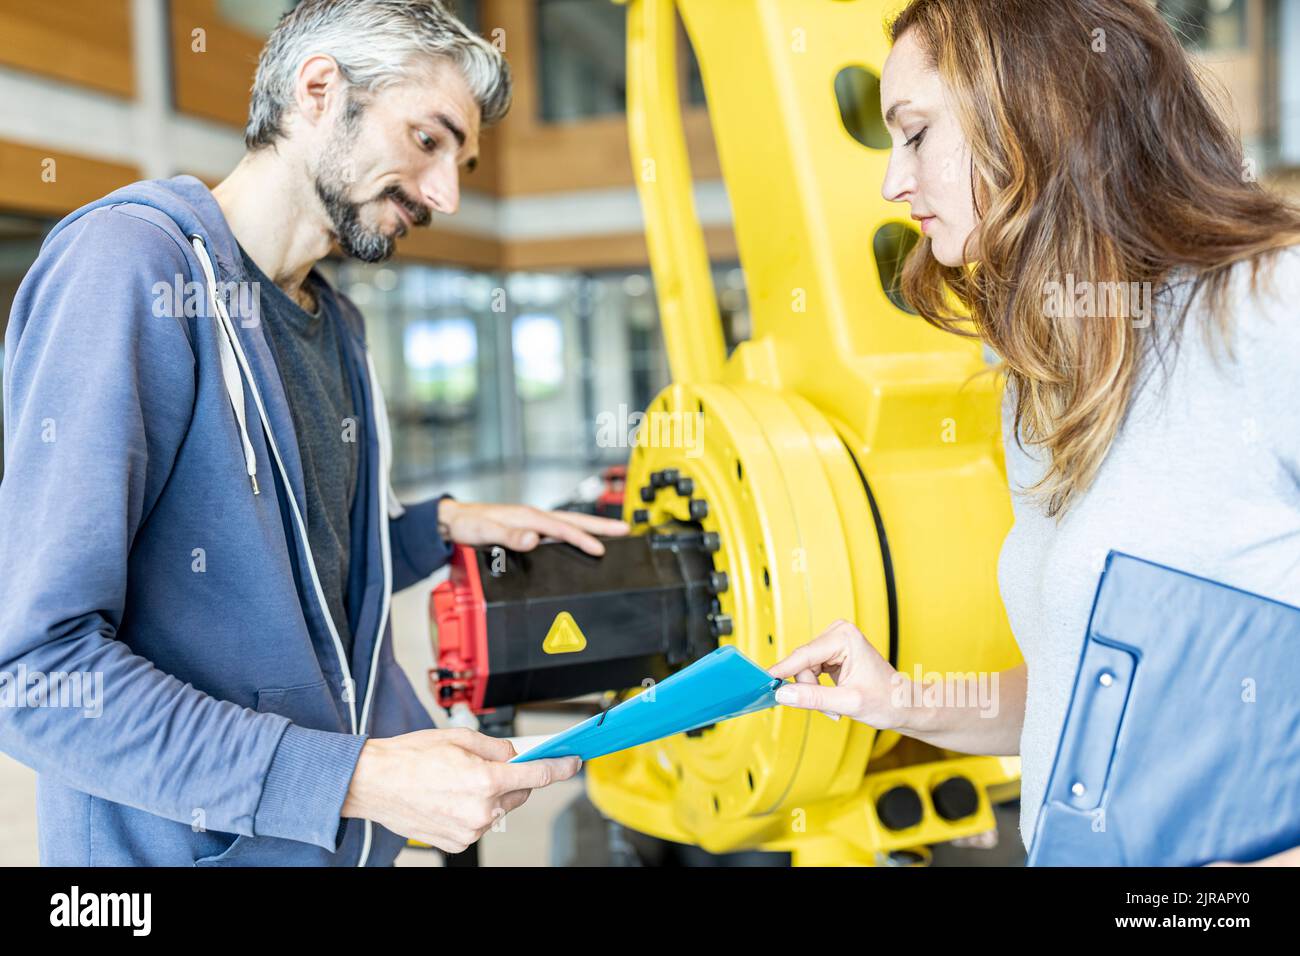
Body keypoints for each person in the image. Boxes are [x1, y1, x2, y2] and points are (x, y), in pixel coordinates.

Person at [0, 0, 625, 866]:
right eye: (429, 140)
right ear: (320, 89)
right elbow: (37, 679)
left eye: (462, 162)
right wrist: (355, 779)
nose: (443, 193)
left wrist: (436, 529)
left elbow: (293, 567)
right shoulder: (128, 269)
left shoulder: (334, 324)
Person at [770, 0, 1300, 866]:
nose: (892, 184)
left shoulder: (1267, 310)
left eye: (915, 134)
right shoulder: (1043, 380)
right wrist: (902, 699)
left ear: (1036, 108)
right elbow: (1076, 703)